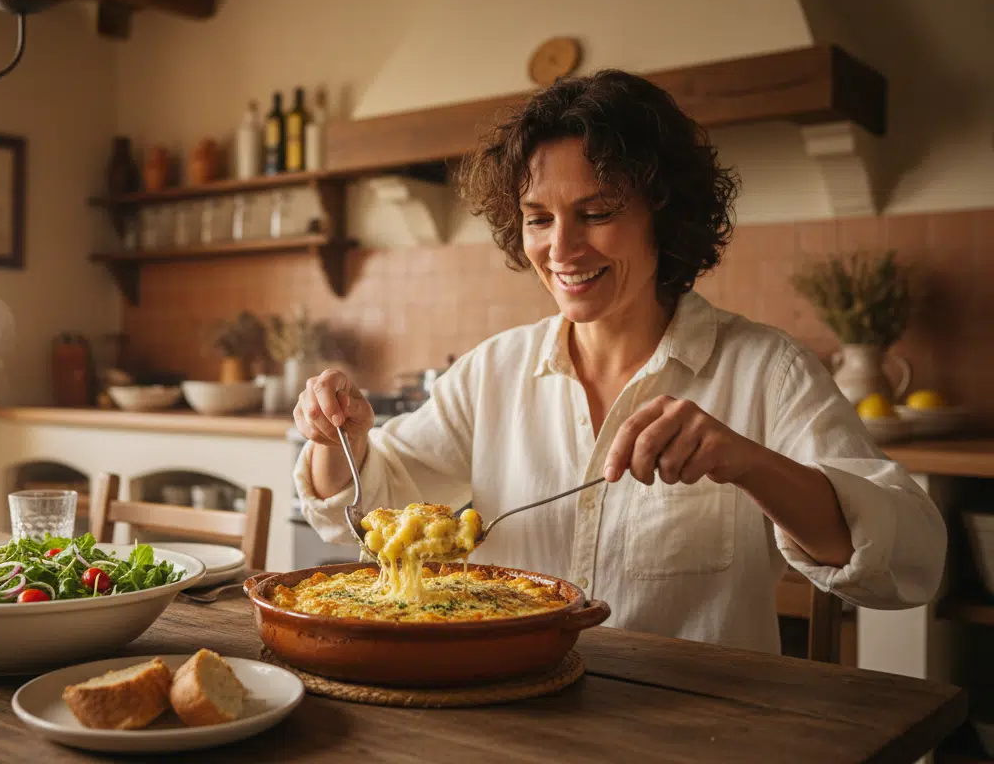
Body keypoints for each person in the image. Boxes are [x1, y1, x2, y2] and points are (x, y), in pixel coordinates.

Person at [290, 69, 945, 653]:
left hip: (691, 736)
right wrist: (338, 439)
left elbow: (910, 561)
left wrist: (746, 462)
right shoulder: (494, 372)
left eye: (597, 212)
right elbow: (363, 502)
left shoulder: (766, 369)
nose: (562, 249)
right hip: (512, 720)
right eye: (538, 218)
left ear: (665, 215)